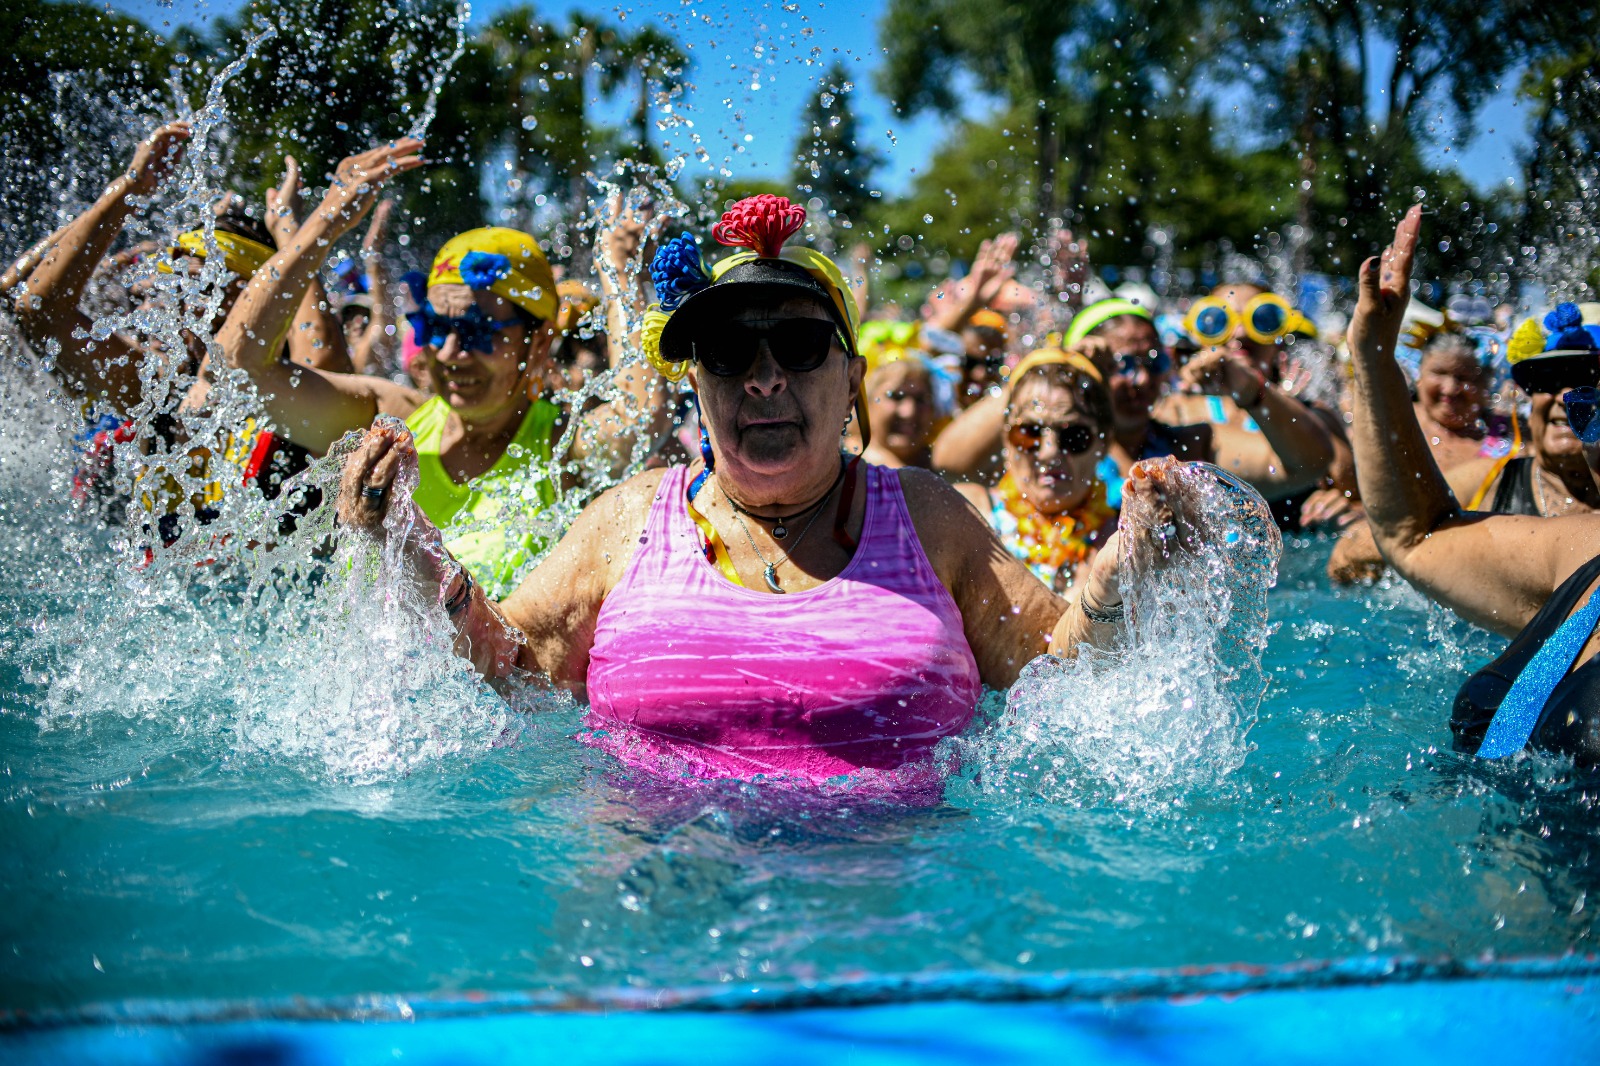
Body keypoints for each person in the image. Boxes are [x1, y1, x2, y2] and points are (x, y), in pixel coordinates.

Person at [331, 195, 1202, 796]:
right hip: (651, 907)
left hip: (886, 915)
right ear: (697, 383)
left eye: (796, 345)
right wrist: (406, 546)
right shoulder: (629, 519)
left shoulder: (928, 517)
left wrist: (1124, 569)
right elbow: (516, 670)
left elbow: (1060, 668)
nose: (762, 379)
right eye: (728, 353)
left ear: (852, 377)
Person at [216, 138, 668, 596]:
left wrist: (619, 270)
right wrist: (324, 221)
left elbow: (643, 414)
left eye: (477, 330)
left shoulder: (562, 453)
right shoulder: (390, 419)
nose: (450, 352)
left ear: (538, 343)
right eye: (434, 327)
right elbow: (238, 370)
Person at [1346, 207, 1600, 761]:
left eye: (1589, 391)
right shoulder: (1576, 543)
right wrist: (1373, 360)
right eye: (1551, 384)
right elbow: (1404, 540)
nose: (1570, 403)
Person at [1328, 309, 1600, 584]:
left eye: (1588, 381)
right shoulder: (1488, 478)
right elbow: (1350, 553)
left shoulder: (1506, 441)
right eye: (1548, 380)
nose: (1567, 396)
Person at [1154, 283, 1341, 527]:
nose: (1241, 333)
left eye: (1262, 319)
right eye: (1218, 322)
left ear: (1279, 339)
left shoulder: (1310, 415)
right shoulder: (1177, 412)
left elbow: (1351, 484)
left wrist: (1349, 507)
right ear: (1199, 337)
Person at [954, 349, 1117, 593]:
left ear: (1103, 445)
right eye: (1028, 433)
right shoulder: (967, 513)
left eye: (1073, 436)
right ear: (1006, 440)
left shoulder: (1122, 542)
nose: (1048, 453)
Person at [860, 352, 941, 470]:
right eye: (896, 396)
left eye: (921, 400)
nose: (908, 412)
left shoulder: (946, 464)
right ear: (866, 402)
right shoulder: (840, 460)